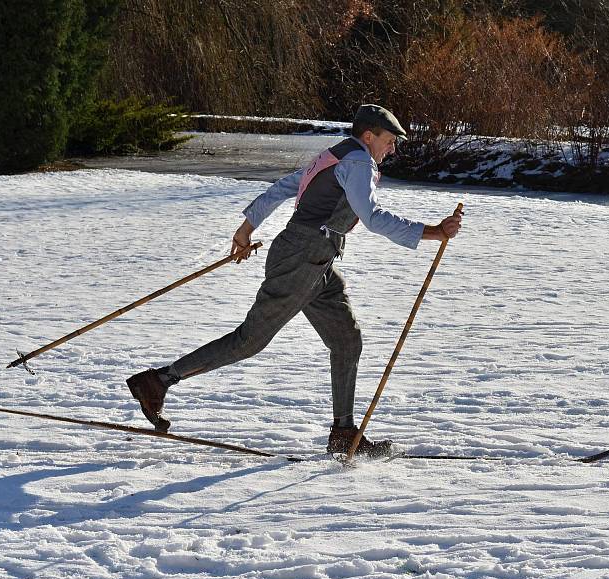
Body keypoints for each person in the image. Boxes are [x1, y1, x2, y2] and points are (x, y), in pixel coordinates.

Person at [126, 104, 463, 457]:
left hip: (316, 261)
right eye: (389, 140)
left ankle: (343, 434)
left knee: (347, 340)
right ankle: (158, 381)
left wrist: (245, 230)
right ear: (369, 136)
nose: (392, 149)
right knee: (249, 341)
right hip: (302, 258)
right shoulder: (359, 161)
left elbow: (283, 187)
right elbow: (373, 217)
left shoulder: (335, 155)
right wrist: (433, 231)